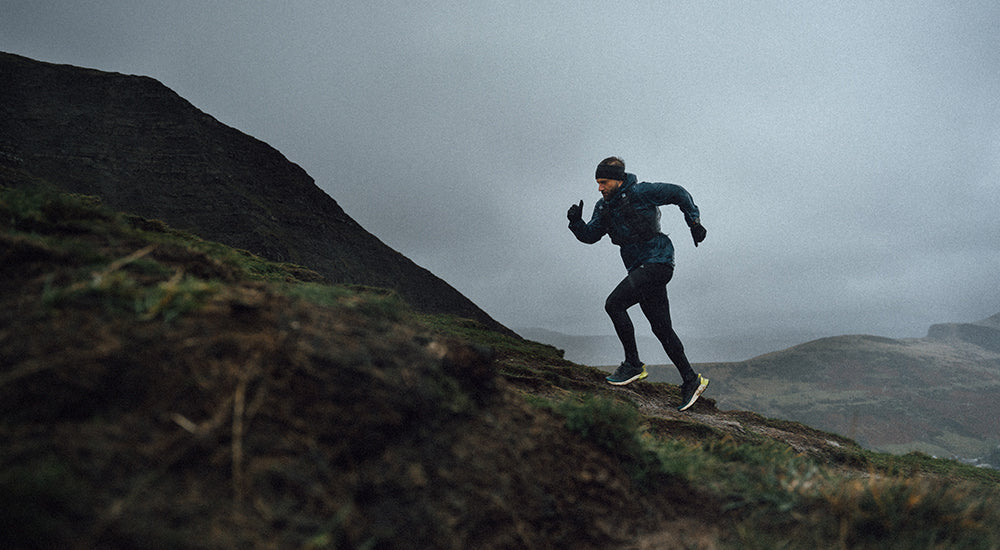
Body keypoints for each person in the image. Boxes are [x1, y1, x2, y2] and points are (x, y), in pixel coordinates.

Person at [567, 156, 709, 411]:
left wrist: (694, 223)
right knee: (662, 328)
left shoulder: (642, 192)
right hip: (638, 269)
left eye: (604, 182)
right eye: (598, 183)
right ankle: (691, 379)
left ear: (618, 179)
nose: (600, 188)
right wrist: (576, 223)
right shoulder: (603, 208)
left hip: (658, 262)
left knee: (614, 304)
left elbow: (679, 193)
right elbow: (590, 236)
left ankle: (633, 364)